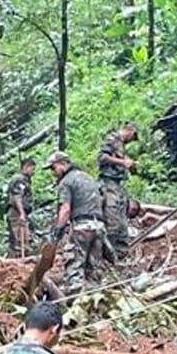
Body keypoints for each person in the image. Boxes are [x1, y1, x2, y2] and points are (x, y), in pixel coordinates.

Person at [47, 151, 106, 297]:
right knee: (94, 269)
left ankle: (75, 303)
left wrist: (58, 231)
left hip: (81, 227)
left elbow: (65, 209)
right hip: (99, 225)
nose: (53, 173)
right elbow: (103, 200)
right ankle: (95, 303)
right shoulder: (88, 178)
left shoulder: (67, 182)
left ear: (62, 164)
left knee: (74, 266)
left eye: (53, 168)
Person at [98, 122, 138, 261]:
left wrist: (129, 165)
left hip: (117, 184)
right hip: (108, 183)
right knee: (112, 220)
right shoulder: (112, 139)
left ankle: (121, 255)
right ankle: (107, 256)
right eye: (132, 137)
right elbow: (102, 158)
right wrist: (122, 163)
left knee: (122, 221)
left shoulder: (120, 144)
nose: (131, 140)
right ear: (130, 131)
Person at [5, 157, 36, 258]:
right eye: (32, 169)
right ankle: (18, 261)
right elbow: (17, 196)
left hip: (21, 211)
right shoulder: (19, 179)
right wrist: (21, 213)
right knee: (20, 239)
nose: (33, 172)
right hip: (17, 212)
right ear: (26, 167)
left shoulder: (25, 180)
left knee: (25, 238)